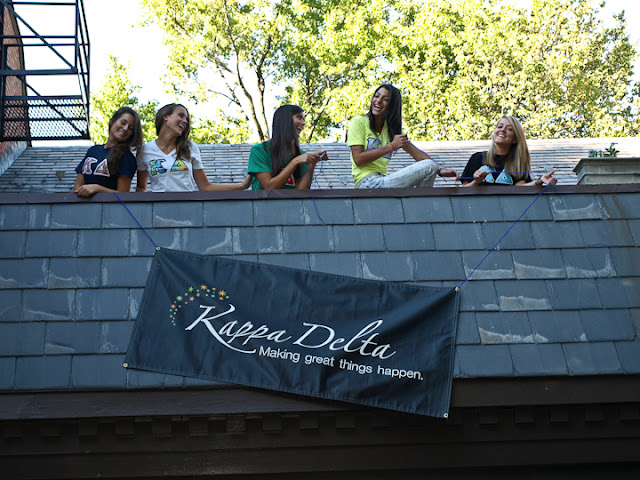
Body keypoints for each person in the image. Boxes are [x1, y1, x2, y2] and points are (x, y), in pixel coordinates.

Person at [348, 84, 457, 189]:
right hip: (366, 183)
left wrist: (440, 170)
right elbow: (358, 159)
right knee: (429, 166)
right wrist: (391, 146)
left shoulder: (392, 130)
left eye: (385, 99)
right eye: (376, 96)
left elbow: (417, 154)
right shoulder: (359, 122)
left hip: (383, 180)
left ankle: (419, 202)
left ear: (392, 106)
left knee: (430, 169)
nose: (378, 101)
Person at [136, 103, 250, 192]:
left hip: (188, 210)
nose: (185, 121)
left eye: (186, 119)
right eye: (181, 115)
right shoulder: (145, 150)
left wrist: (242, 186)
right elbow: (141, 188)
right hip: (159, 212)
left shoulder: (189, 147)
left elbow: (205, 186)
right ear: (165, 116)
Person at [461, 115, 557, 187]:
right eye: (500, 126)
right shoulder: (477, 158)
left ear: (515, 139)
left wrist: (539, 181)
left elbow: (520, 189)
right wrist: (476, 181)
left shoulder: (518, 163)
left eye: (509, 129)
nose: (502, 130)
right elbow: (464, 191)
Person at [247, 104, 326, 190]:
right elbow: (269, 187)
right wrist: (295, 162)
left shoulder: (301, 155)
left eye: (303, 119)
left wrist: (312, 163)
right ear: (285, 120)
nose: (303, 123)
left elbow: (300, 193)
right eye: (299, 118)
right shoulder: (260, 150)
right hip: (264, 200)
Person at [73, 107, 143, 197]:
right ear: (112, 121)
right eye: (123, 122)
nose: (125, 128)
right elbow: (77, 188)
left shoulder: (126, 157)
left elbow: (123, 194)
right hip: (84, 204)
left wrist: (97, 188)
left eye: (131, 128)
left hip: (109, 206)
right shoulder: (93, 150)